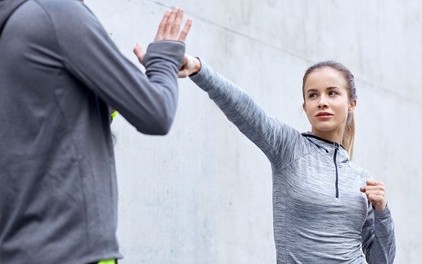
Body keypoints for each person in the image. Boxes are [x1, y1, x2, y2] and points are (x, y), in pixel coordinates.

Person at [0, 0, 191, 263]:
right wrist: (164, 59)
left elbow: (42, 127)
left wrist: (106, 99)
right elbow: (156, 112)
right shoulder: (58, 14)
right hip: (73, 251)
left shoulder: (13, 28)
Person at [174, 55, 396, 263]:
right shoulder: (289, 147)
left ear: (351, 104)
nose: (322, 102)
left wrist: (382, 212)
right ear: (305, 106)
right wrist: (199, 69)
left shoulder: (362, 179)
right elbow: (245, 110)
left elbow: (380, 260)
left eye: (332, 93)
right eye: (313, 95)